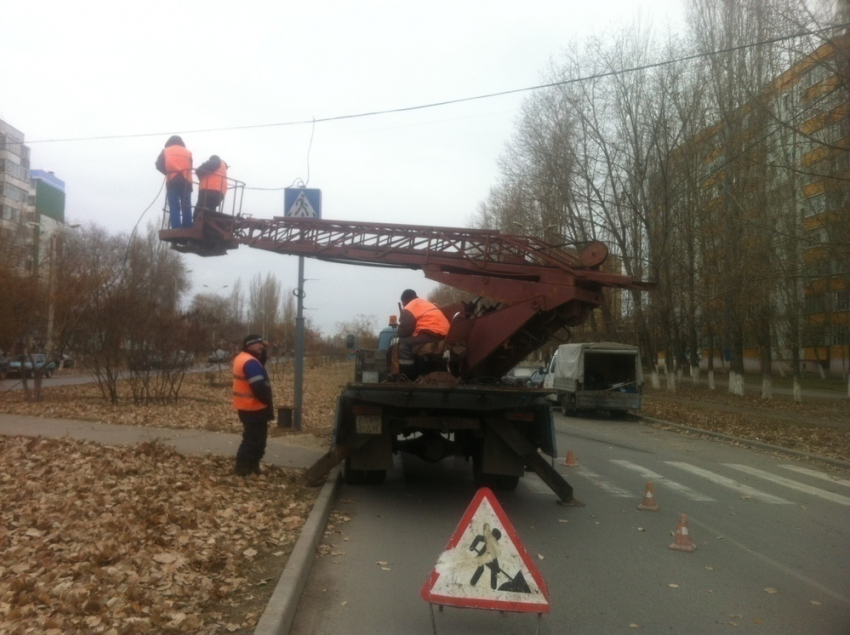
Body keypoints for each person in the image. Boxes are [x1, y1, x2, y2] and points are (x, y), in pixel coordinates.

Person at [231, 334, 274, 475]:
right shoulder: (250, 362)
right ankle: (243, 468)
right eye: (259, 344)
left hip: (246, 406)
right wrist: (267, 401)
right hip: (254, 407)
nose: (262, 346)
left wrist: (263, 351)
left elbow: (260, 363)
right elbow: (258, 386)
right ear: (249, 345)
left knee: (254, 439)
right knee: (253, 440)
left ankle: (250, 466)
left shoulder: (244, 358)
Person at [397, 289, 450, 374]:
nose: (404, 307)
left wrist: (398, 330)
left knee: (403, 344)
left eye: (403, 304)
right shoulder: (427, 303)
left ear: (405, 301)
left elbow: (405, 331)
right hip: (445, 334)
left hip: (430, 334)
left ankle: (407, 374)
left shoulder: (410, 307)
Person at [155, 135, 193, 229]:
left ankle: (176, 228)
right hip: (186, 181)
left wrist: (167, 172)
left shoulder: (166, 151)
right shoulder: (188, 152)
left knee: (174, 205)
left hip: (172, 181)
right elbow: (190, 166)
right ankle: (188, 227)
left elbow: (158, 164)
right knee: (186, 206)